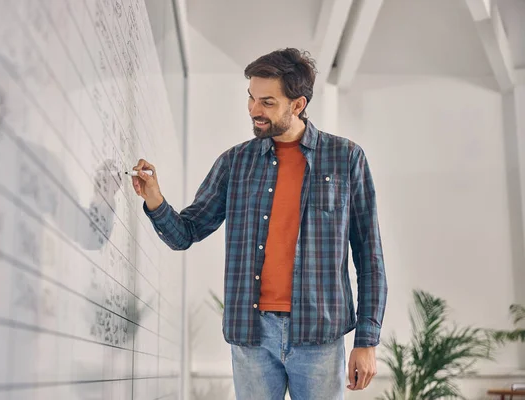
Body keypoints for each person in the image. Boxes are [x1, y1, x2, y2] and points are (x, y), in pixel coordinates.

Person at [132, 48, 388, 399]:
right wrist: (155, 199)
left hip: (319, 337)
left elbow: (369, 256)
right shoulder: (235, 163)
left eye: (267, 102)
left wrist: (367, 341)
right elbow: (186, 233)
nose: (254, 110)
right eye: (251, 98)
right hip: (252, 335)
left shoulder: (346, 159)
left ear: (297, 105)